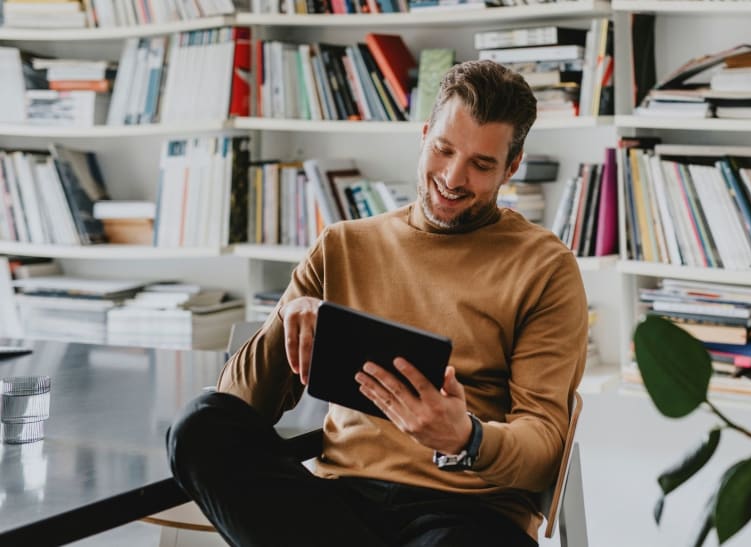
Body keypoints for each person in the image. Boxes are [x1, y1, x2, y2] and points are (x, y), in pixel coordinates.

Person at [167, 60, 588, 547]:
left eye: (481, 164)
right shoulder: (344, 246)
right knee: (200, 426)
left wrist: (466, 438)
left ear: (512, 166)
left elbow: (543, 444)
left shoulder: (544, 268)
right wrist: (285, 320)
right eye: (444, 149)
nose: (453, 177)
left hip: (466, 513)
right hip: (341, 504)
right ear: (425, 133)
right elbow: (240, 406)